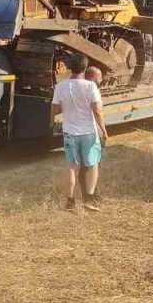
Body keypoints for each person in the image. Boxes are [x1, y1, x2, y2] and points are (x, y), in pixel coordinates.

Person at [50, 59, 109, 210]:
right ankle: (88, 199)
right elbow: (97, 111)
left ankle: (70, 201)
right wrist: (104, 130)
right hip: (89, 132)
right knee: (92, 165)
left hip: (70, 132)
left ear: (70, 68)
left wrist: (65, 107)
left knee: (71, 167)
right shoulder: (91, 86)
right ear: (85, 69)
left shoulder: (60, 86)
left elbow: (55, 110)